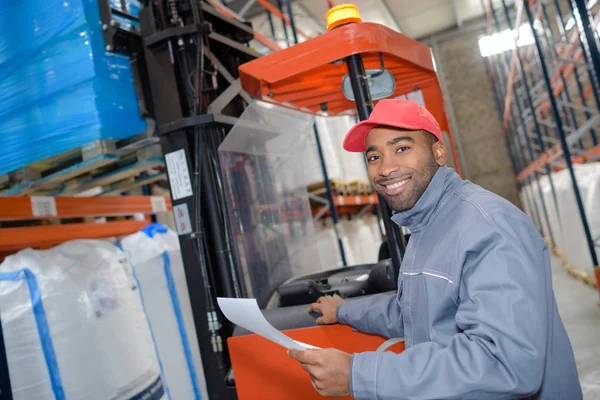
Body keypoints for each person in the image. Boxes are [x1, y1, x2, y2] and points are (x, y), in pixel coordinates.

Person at [288, 99, 581, 400]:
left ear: (438, 152)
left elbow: (504, 362)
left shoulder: (488, 227)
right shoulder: (425, 227)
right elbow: (414, 313)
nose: (386, 168)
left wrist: (359, 375)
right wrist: (344, 310)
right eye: (374, 156)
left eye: (402, 148)